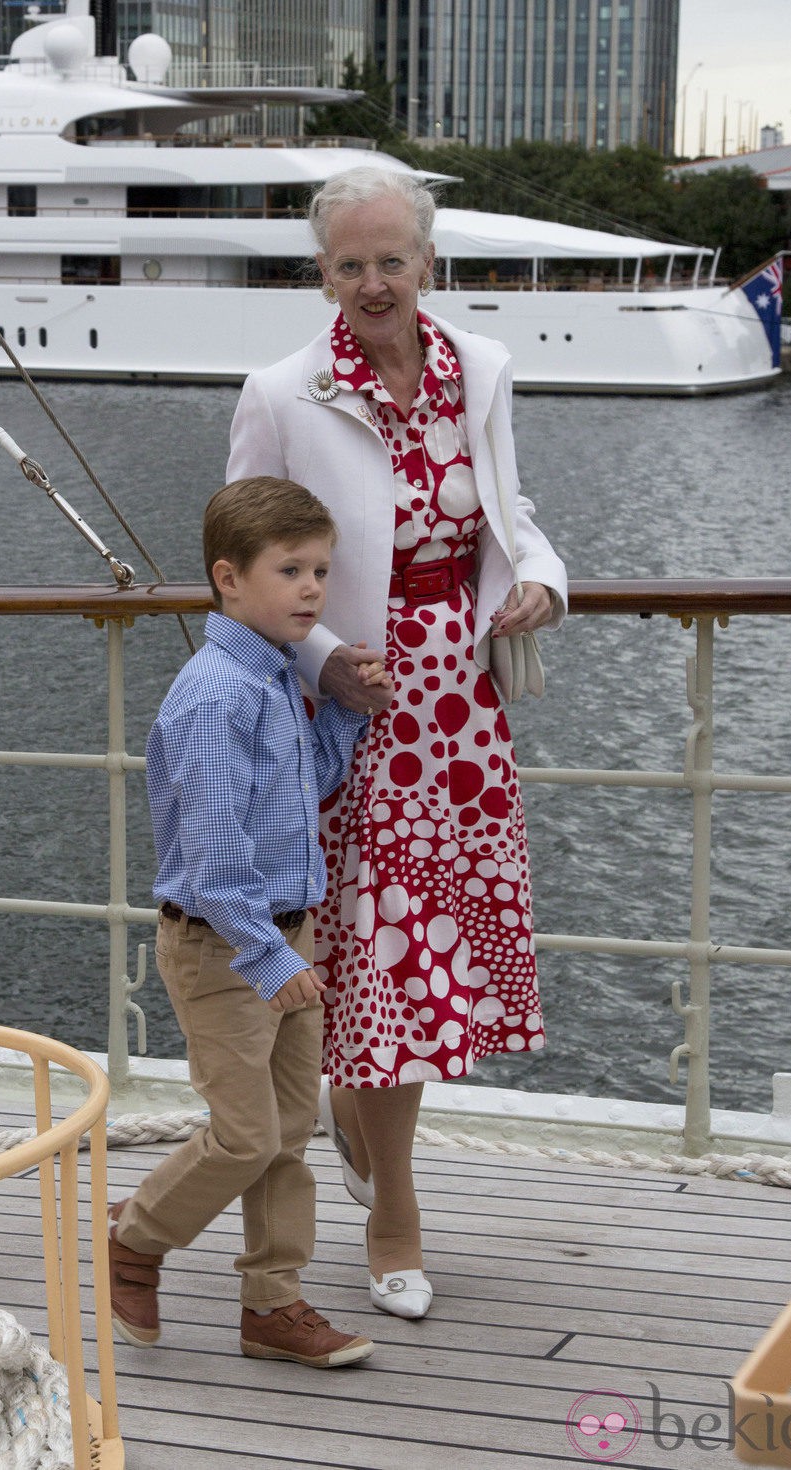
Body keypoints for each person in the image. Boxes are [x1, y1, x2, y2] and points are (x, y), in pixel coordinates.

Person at [226, 167, 567, 1322]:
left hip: (460, 719)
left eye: (391, 260)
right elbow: (244, 562)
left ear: (427, 260)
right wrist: (322, 659)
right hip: (349, 720)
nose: (372, 283)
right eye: (347, 264)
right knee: (375, 961)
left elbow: (506, 522)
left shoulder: (479, 370)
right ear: (319, 273)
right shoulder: (281, 392)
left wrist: (538, 585)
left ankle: (370, 1139)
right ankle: (395, 1212)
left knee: (423, 963)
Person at [107, 475, 391, 1369]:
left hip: (282, 937)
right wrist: (271, 959)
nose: (313, 588)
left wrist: (345, 713)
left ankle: (273, 1303)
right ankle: (137, 1239)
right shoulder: (214, 698)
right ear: (229, 579)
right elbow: (215, 862)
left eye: (320, 570)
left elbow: (299, 786)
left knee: (291, 1131)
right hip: (227, 945)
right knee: (246, 1133)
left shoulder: (269, 677)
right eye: (291, 570)